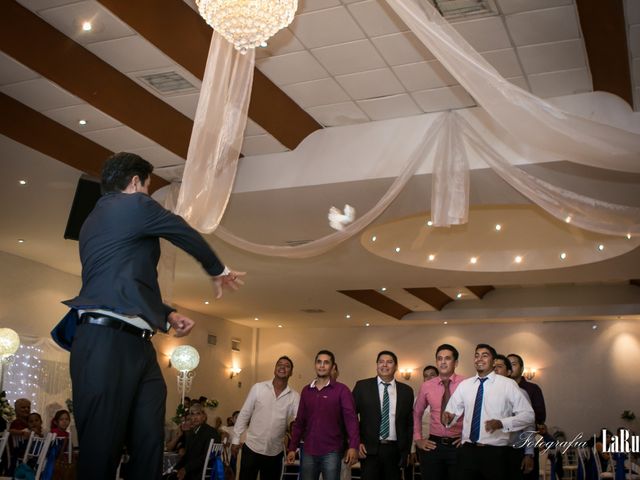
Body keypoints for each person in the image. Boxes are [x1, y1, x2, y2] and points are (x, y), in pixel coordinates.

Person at [57, 152, 245, 480]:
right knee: (101, 449)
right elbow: (181, 231)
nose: (147, 193)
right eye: (147, 186)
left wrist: (167, 313)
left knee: (149, 441)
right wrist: (218, 270)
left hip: (137, 344)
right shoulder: (135, 205)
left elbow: (130, 276)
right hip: (106, 341)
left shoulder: (94, 219)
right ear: (135, 182)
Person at [443, 344, 534, 480]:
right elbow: (450, 414)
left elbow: (529, 416)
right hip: (467, 451)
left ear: (494, 361)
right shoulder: (465, 385)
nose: (479, 359)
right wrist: (448, 418)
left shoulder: (507, 385)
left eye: (485, 355)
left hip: (495, 453)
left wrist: (502, 423)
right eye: (476, 355)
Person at [287, 350, 359, 480]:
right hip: (308, 450)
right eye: (319, 362)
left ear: (332, 366)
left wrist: (353, 446)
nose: (322, 365)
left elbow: (351, 420)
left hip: (332, 451)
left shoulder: (342, 390)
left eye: (326, 363)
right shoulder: (306, 390)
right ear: (315, 365)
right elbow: (299, 422)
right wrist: (292, 447)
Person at [232, 356, 300, 480]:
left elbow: (299, 421)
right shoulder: (258, 388)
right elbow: (245, 413)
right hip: (252, 448)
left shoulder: (294, 396)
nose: (282, 367)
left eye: (287, 366)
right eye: (279, 364)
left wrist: (293, 447)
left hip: (275, 452)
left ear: (291, 372)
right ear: (275, 369)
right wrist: (236, 439)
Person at [352, 350, 414, 480]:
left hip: (395, 450)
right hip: (369, 450)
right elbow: (351, 417)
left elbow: (409, 423)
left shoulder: (406, 391)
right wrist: (356, 442)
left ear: (396, 366)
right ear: (376, 365)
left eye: (389, 362)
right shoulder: (362, 386)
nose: (385, 365)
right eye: (381, 362)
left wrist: (406, 451)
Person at [413, 344, 465, 480]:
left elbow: (475, 413)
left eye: (447, 358)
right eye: (439, 358)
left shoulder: (466, 384)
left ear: (456, 362)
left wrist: (468, 436)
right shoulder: (426, 386)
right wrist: (418, 439)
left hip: (459, 446)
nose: (443, 362)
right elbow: (417, 413)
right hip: (433, 446)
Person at [494, 354, 535, 480]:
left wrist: (528, 453)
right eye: (493, 367)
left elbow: (528, 425)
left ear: (508, 372)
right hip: (492, 451)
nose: (495, 370)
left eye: (499, 367)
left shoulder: (520, 393)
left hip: (513, 450)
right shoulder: (484, 393)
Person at [508, 353, 547, 480]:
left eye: (514, 364)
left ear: (522, 369)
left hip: (525, 441)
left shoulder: (532, 389)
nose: (510, 367)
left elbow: (540, 416)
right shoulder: (502, 389)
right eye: (508, 365)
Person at [174, 404, 221, 480]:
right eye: (192, 414)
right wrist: (176, 468)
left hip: (200, 473)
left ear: (204, 416)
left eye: (198, 414)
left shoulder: (211, 432)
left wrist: (186, 469)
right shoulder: (190, 433)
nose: (195, 417)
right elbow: (187, 455)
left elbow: (206, 457)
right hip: (190, 470)